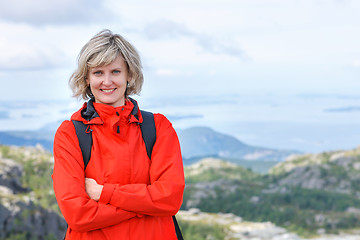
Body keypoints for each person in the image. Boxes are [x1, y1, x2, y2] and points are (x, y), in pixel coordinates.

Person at [52, 29, 185, 239]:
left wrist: (104, 193)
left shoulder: (158, 127)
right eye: (98, 73)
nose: (107, 81)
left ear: (129, 75)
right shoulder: (70, 134)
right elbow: (78, 215)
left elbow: (169, 199)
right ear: (86, 78)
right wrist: (146, 205)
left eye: (115, 71)